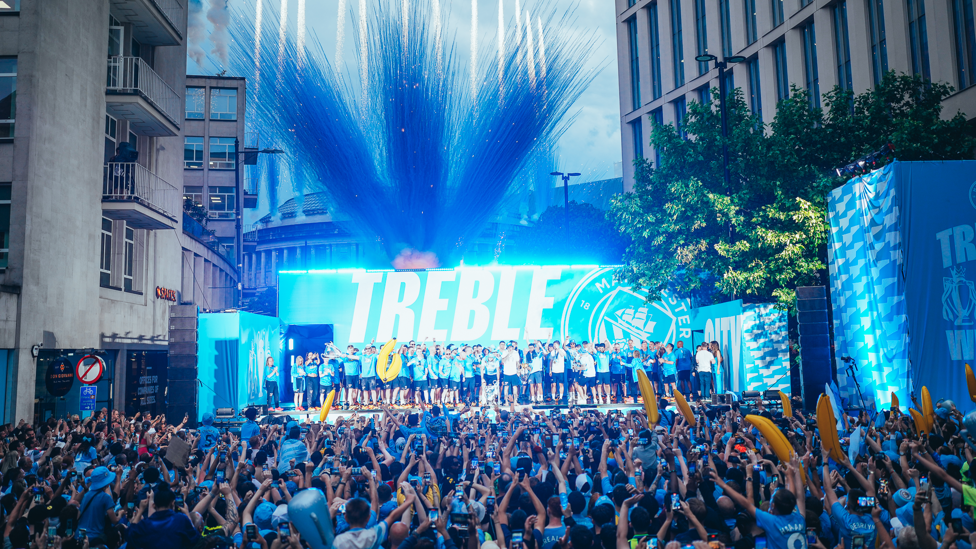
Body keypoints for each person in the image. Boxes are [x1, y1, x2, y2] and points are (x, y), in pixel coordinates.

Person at [126, 485, 202, 549]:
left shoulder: (145, 524)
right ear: (173, 503)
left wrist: (140, 511)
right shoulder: (181, 519)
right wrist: (187, 514)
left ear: (154, 505)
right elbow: (196, 539)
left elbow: (130, 535)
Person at [77, 466, 120, 546]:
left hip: (80, 535)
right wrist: (121, 513)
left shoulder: (87, 495)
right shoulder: (106, 497)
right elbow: (115, 521)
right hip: (95, 538)